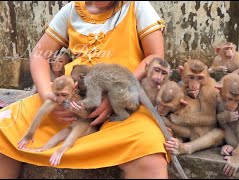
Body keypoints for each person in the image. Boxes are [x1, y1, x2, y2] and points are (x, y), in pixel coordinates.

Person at [0, 1, 168, 178]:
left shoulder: (137, 6)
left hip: (123, 103)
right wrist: (47, 96)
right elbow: (39, 55)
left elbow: (155, 55)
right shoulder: (72, 10)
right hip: (72, 102)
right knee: (4, 129)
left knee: (149, 156)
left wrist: (115, 96)